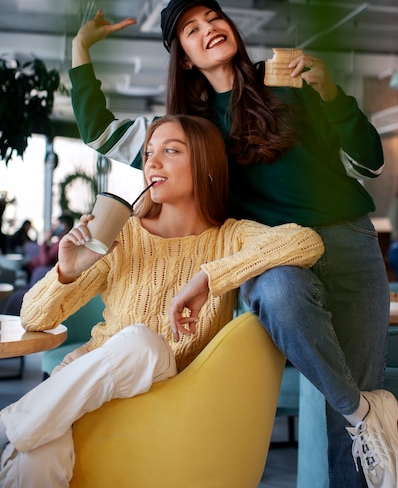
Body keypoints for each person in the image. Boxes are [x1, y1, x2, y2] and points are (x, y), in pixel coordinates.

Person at [68, 0, 398, 488]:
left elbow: (368, 164)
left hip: (349, 241)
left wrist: (332, 96)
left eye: (214, 18)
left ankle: (360, 417)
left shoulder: (288, 84)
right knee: (276, 297)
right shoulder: (194, 131)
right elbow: (99, 132)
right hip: (273, 253)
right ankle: (363, 412)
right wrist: (80, 47)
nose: (209, 29)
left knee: (354, 426)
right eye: (191, 30)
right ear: (184, 58)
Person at [0, 114, 324, 488]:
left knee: (143, 343)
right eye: (149, 152)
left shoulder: (229, 238)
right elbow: (33, 315)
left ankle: (11, 427)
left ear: (205, 165)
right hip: (86, 389)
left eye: (170, 151)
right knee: (36, 457)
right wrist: (67, 270)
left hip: (166, 394)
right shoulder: (123, 236)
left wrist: (209, 276)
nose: (151, 162)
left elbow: (306, 242)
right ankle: (17, 428)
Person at [24, 213, 74, 278]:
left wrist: (44, 241)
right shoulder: (60, 240)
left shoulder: (62, 242)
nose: (53, 228)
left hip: (33, 270)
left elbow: (45, 262)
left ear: (63, 226)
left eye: (55, 225)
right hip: (32, 268)